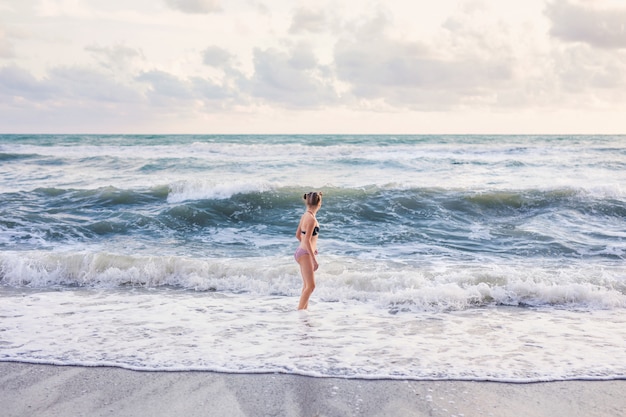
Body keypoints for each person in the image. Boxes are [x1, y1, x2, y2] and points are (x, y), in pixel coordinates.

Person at [294, 191, 322, 310]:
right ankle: (299, 312)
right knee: (311, 286)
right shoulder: (311, 219)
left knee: (306, 286)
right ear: (319, 204)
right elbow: (307, 240)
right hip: (305, 254)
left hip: (301, 252)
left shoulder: (305, 215)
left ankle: (303, 313)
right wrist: (313, 259)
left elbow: (298, 235)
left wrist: (311, 249)